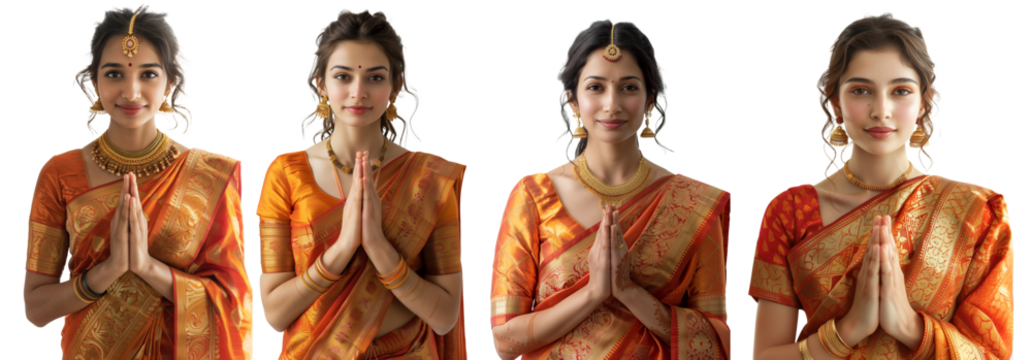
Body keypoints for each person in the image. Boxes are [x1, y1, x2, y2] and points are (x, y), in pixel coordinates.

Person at [749, 9, 1014, 360]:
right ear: (835, 103)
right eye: (861, 90)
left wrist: (908, 326)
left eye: (900, 91)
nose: (881, 110)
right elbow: (766, 356)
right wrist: (849, 330)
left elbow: (993, 355)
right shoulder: (792, 211)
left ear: (923, 105)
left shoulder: (977, 212)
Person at [490, 17, 731, 360]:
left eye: (629, 87)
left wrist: (628, 291)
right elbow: (504, 341)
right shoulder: (534, 195)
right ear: (572, 99)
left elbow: (713, 344)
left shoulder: (693, 203)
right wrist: (593, 292)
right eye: (596, 87)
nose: (612, 104)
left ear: (650, 100)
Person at [23, 3, 253, 359]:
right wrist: (108, 272)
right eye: (114, 74)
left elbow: (232, 302)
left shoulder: (210, 175)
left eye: (148, 74)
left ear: (170, 82)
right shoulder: (60, 173)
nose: (131, 92)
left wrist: (147, 268)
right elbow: (37, 309)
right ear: (94, 81)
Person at [255, 7, 467, 359]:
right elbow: (275, 315)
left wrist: (379, 248)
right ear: (321, 84)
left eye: (375, 78)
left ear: (394, 86)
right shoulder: (286, 172)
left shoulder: (429, 176)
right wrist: (342, 249)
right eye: (343, 76)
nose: (358, 92)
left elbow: (445, 317)